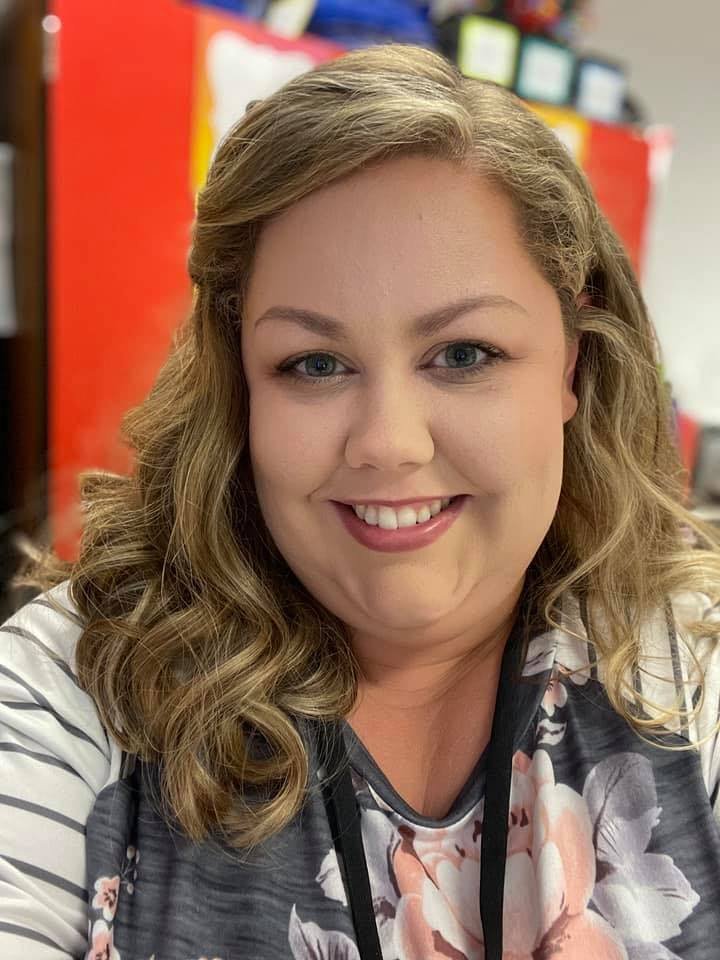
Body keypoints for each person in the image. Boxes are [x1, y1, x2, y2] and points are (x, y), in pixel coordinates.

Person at [1, 42, 719, 960]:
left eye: (464, 355)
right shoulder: (73, 688)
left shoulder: (692, 674)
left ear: (572, 363)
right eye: (315, 364)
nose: (388, 441)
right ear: (241, 385)